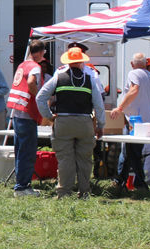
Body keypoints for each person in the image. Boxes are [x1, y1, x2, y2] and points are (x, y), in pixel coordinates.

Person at [35, 47, 105, 199]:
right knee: (85, 159)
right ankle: (84, 192)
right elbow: (99, 105)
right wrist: (100, 125)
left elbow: (40, 97)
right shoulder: (90, 79)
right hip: (85, 122)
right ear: (81, 62)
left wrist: (49, 116)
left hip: (64, 122)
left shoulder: (58, 77)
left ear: (67, 62)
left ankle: (64, 193)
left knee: (65, 158)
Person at [110, 53, 150, 192]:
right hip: (145, 120)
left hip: (134, 120)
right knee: (130, 151)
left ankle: (139, 183)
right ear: (145, 64)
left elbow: (134, 89)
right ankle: (121, 180)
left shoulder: (134, 74)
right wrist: (149, 113)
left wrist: (120, 108)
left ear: (132, 64)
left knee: (132, 152)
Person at [5, 40, 46, 197]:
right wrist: (39, 98)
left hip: (17, 113)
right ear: (40, 52)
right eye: (44, 52)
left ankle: (20, 185)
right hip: (27, 113)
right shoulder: (35, 67)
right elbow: (31, 82)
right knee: (27, 152)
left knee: (20, 150)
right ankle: (23, 187)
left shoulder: (22, 65)